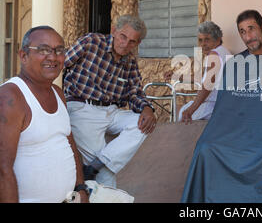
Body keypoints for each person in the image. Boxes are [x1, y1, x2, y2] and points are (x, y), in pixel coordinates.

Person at [181, 10, 262, 203]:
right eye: (242, 32)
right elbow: (224, 111)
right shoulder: (234, 65)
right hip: (236, 136)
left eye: (251, 29)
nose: (248, 36)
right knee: (205, 147)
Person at [64, 15, 157, 188]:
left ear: (137, 44)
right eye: (123, 36)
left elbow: (135, 92)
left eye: (132, 41)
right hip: (83, 109)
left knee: (145, 123)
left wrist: (146, 108)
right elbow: (60, 64)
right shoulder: (90, 42)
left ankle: (98, 163)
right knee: (105, 175)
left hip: (112, 111)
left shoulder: (130, 62)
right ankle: (98, 166)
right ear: (114, 31)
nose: (125, 44)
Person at [0, 26, 88, 203]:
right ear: (24, 56)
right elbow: (3, 169)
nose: (53, 57)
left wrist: (80, 189)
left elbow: (69, 143)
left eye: (59, 50)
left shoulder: (57, 92)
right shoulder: (11, 96)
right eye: (44, 50)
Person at [176, 21, 231, 123]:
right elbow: (204, 78)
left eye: (207, 40)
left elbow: (207, 85)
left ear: (217, 39)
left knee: (180, 110)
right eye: (200, 40)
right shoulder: (224, 52)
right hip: (225, 105)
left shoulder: (214, 55)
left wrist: (190, 110)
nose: (203, 44)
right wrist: (179, 76)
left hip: (214, 106)